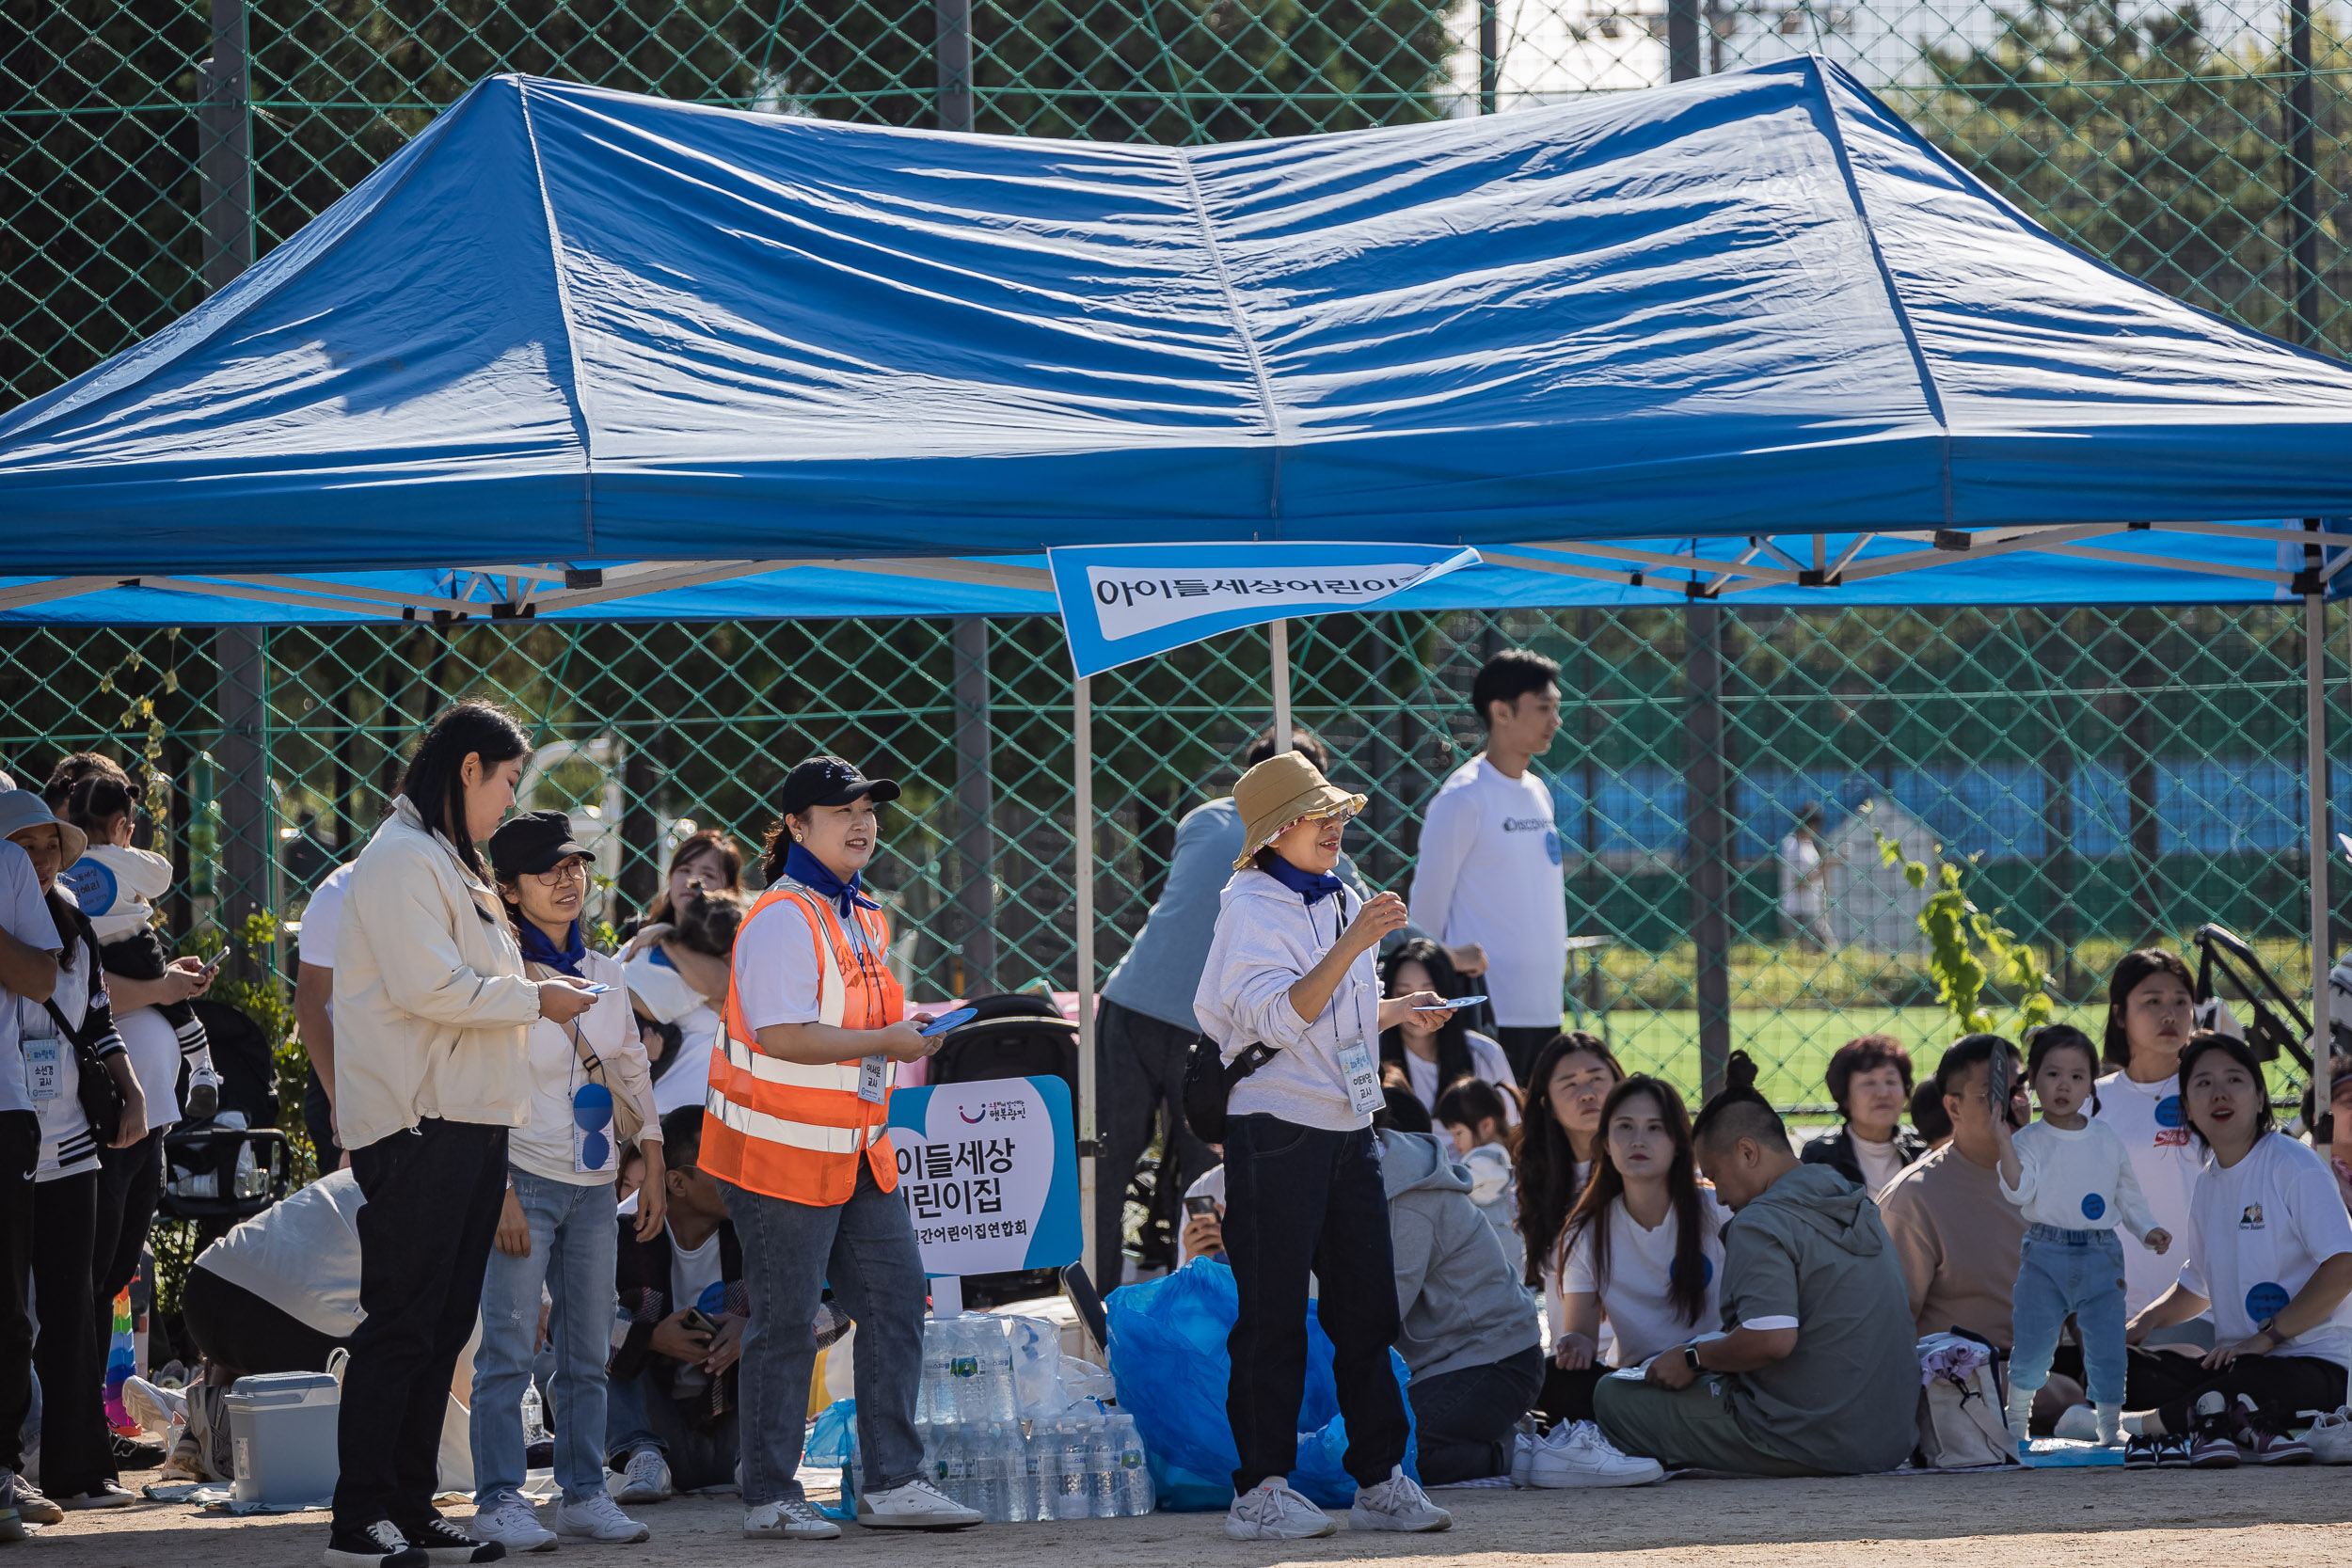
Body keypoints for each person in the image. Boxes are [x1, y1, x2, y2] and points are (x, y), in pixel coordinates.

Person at [328, 700, 598, 1568]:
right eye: (509, 780)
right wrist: (539, 998)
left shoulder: (454, 860)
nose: (509, 799)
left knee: (443, 1328)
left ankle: (408, 1508)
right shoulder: (401, 859)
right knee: (401, 1321)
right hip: (417, 1126)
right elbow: (430, 989)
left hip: (476, 1126)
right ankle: (357, 1518)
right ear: (469, 769)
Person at [706, 754, 978, 1538]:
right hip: (779, 1154)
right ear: (795, 826)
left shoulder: (862, 912)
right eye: (841, 810)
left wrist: (900, 1036)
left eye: (869, 808)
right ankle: (768, 1494)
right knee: (786, 1323)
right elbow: (783, 1034)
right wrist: (885, 1039)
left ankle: (892, 1480)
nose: (862, 821)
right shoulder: (785, 916)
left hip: (856, 1149)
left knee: (897, 1302)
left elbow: (856, 1031)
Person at [1193, 750, 1452, 1540]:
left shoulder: (1338, 895)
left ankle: (1380, 1478)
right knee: (1272, 1316)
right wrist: (1355, 942)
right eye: (1319, 815)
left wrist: (1398, 1007)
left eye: (1338, 812)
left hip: (1347, 1125)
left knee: (1366, 1310)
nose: (1336, 825)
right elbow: (1276, 1018)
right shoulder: (1251, 907)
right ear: (1276, 831)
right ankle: (1258, 1491)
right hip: (1274, 1128)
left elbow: (1338, 1013)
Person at [1093, 727, 1390, 1293]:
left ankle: (1103, 1308)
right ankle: (1206, 1301)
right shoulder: (1321, 869)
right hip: (1212, 1033)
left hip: (1129, 1004)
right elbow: (1374, 920)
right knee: (1206, 1180)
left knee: (1107, 1169)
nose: (1330, 821)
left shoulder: (1201, 820)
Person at [1565, 1053, 1917, 1480]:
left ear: (1747, 1152)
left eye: (1715, 1175)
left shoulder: (1759, 1220)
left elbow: (1772, 1339)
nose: (1718, 1195)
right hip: (1891, 1436)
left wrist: (1693, 1358)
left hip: (1811, 1437)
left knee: (1613, 1396)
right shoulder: (1851, 1198)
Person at [468, 812, 664, 1550]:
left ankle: (583, 1493)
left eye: (577, 864)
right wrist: (502, 1191)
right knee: (509, 1351)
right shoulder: (497, 978)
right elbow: (477, 1084)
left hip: (595, 1182)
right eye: (549, 869)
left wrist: (652, 1149)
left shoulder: (608, 971)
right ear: (509, 889)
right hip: (521, 1175)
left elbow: (629, 1066)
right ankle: (497, 1502)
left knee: (587, 1352)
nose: (568, 878)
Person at [58, 768, 217, 1457]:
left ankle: (93, 1424)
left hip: (145, 1123)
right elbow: (82, 989)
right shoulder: (65, 894)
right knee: (87, 1278)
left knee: (116, 1272)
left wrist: (165, 985)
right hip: (97, 1122)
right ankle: (74, 1434)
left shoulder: (103, 888)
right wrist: (161, 985)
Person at [6, 791, 145, 1510]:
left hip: (72, 1137)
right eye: (23, 846)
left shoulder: (75, 920)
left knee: (74, 1305)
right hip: (10, 1132)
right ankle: (15, 1470)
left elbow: (96, 1017)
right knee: (13, 1313)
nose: (39, 858)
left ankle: (81, 1470)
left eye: (49, 845)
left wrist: (133, 1090)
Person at [2122, 1032, 2351, 1465]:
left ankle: (2151, 1425)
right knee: (2118, 1369)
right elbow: (2198, 1284)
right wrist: (2140, 1325)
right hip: (2239, 1364)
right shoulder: (2209, 1182)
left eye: (2235, 1080)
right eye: (2203, 1083)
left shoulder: (2293, 1165)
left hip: (2316, 1364)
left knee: (2242, 1384)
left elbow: (2343, 1266)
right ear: (2186, 1106)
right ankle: (2214, 1416)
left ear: (2261, 1097)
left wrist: (2269, 1336)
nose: (2220, 1093)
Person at [1993, 1024, 2170, 1451]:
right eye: (2052, 1074)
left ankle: (2111, 1426)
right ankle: (2017, 1423)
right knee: (2033, 1344)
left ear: (2092, 1083)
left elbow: (2127, 1193)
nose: (2064, 1086)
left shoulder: (2105, 1137)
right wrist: (2002, 1138)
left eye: (2076, 1076)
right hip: (2044, 1252)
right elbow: (2019, 1190)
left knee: (2108, 1344)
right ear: (2033, 1080)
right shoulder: (2027, 1139)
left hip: (2101, 1253)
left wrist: (2147, 1229)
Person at [1534, 1076, 1729, 1448]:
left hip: (1711, 1373)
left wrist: (1694, 1361)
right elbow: (1582, 1335)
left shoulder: (1718, 1212)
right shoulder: (1586, 1228)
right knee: (1552, 1377)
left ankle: (1643, 1440)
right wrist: (1574, 1346)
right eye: (1624, 1127)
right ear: (1606, 1143)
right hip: (1634, 1383)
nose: (1638, 1140)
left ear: (1678, 1144)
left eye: (1655, 1128)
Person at [1407, 650, 1565, 1082]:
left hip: (1544, 1006)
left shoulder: (1538, 791)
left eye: (1557, 707)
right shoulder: (1463, 798)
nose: (1557, 720)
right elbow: (1423, 918)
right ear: (1501, 712)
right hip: (1487, 1011)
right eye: (1544, 708)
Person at [1376, 1089, 1544, 1486]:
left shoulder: (1407, 1193)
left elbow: (1379, 1313)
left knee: (1383, 1453)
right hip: (1442, 1362)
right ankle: (1494, 1429)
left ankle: (1517, 1452)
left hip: (1492, 1359)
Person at [607, 1106, 745, 1503]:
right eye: (724, 1164)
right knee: (595, 1342)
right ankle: (642, 1458)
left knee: (785, 1329)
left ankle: (761, 1462)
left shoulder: (760, 1226)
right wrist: (650, 1339)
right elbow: (570, 1332)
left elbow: (832, 1312)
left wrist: (755, 1331)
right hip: (654, 1431)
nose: (741, 1175)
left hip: (736, 1429)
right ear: (677, 1183)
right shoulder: (617, 1232)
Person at [1876, 1034, 2033, 1349]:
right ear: (1953, 1107)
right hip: (1967, 1379)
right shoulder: (1914, 1198)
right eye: (1992, 1092)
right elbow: (1887, 1329)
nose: (2012, 1104)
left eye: (2020, 1090)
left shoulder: (2056, 1178)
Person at [0, 798, 67, 1533]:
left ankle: (3, 1469)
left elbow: (43, 979)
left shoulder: (8, 866)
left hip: (3, 1107)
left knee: (8, 1307)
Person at [2094, 950, 2209, 1331]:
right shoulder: (2090, 1102)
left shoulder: (2216, 1093)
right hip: (2116, 1313)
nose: (2169, 1015)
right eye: (2152, 1002)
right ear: (2118, 1014)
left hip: (2211, 1310)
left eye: (2181, 1002)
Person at [182, 1168, 367, 1376]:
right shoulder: (401, 1190)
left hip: (206, 1286)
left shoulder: (363, 1171)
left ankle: (191, 1400)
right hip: (288, 1326)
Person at [1514, 1031, 1625, 1346]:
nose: (1587, 1094)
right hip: (1573, 1358)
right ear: (1546, 1103)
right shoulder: (1532, 1182)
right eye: (1570, 1084)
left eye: (1596, 1078)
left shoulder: (1649, 1169)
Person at [625, 888, 743, 1117]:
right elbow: (724, 995)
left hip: (615, 1000)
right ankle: (638, 1093)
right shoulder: (700, 982)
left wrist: (665, 930)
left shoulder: (654, 943)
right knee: (671, 1038)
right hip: (636, 1022)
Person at [1378, 940, 1518, 1119]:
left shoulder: (1485, 1054)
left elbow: (1510, 1129)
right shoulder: (1372, 1054)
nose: (1418, 1007)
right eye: (1403, 995)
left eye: (1430, 995)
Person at [1800, 1034, 1927, 1195]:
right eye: (1869, 1083)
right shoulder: (1821, 1158)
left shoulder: (1923, 1152)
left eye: (1891, 1081)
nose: (1883, 1093)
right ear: (1844, 1096)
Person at [294, 859, 357, 1169]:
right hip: (346, 1074)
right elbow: (308, 1002)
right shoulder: (338, 893)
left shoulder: (453, 877)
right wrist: (339, 1102)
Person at [1433, 1077, 1521, 1274]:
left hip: (1494, 1259)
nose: (1455, 1142)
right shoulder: (1494, 1159)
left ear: (1486, 1125)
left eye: (1458, 1133)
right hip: (1499, 1257)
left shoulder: (1486, 1162)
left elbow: (1454, 1183)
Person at [619, 828, 745, 947]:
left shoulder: (740, 946)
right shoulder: (639, 932)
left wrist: (665, 937)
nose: (691, 881)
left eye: (708, 875)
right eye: (684, 870)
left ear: (730, 890)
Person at [1777, 803, 1831, 951]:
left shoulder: (1809, 846)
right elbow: (1800, 883)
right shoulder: (1792, 846)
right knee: (1810, 955)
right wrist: (1826, 866)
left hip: (1812, 910)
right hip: (1798, 912)